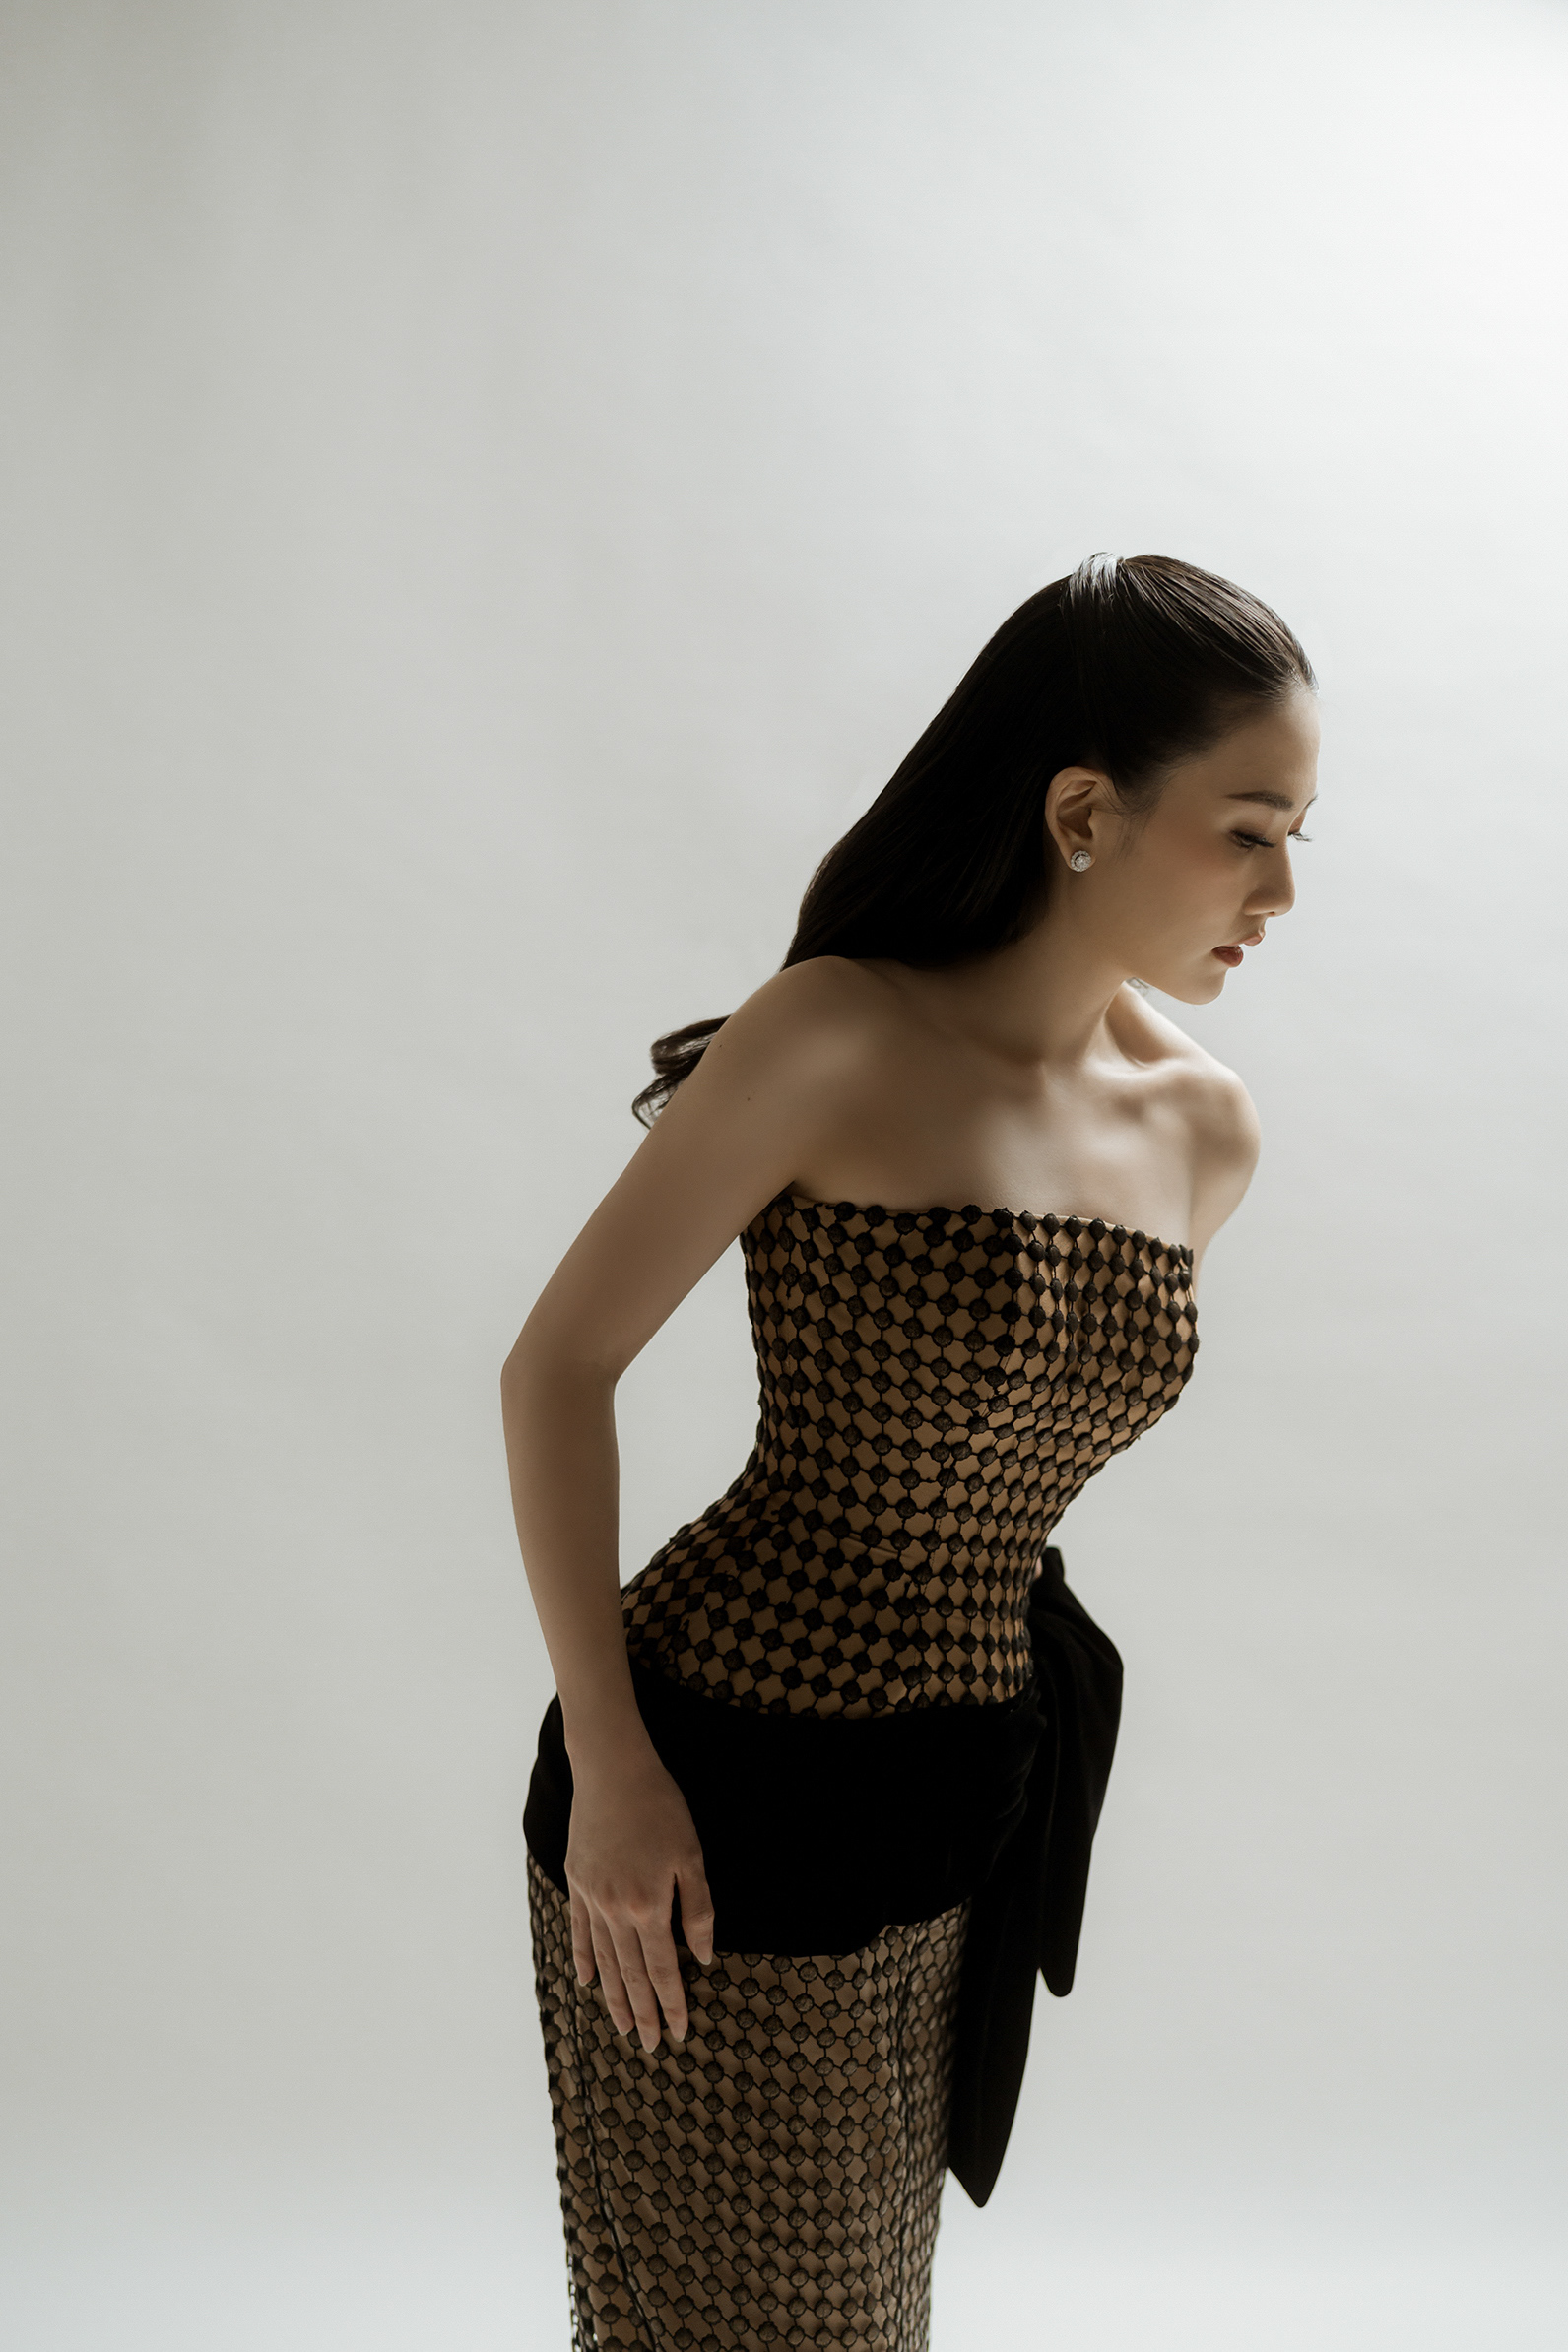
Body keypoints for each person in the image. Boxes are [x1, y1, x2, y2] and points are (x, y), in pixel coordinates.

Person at [501, 552, 1319, 2352]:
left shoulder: (1204, 1130)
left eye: (1296, 843)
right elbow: (557, 1367)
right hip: (715, 1784)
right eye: (1250, 833)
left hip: (966, 1797)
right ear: (1085, 814)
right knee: (717, 2325)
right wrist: (618, 1776)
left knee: (869, 2316)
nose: (1279, 892)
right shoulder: (834, 1034)